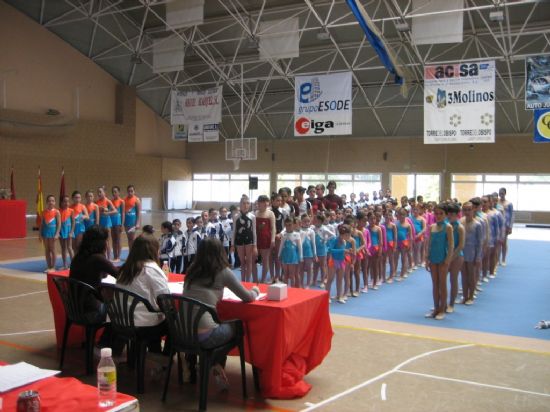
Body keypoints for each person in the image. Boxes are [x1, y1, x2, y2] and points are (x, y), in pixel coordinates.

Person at [183, 237, 260, 388]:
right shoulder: (223, 271)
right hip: (204, 335)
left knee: (217, 323)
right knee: (237, 326)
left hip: (183, 332)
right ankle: (212, 363)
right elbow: (247, 297)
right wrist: (256, 290)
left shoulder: (192, 270)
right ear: (220, 252)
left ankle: (201, 365)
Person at [116, 233, 170, 354]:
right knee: (176, 324)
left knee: (155, 315)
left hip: (121, 322)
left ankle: (150, 354)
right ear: (154, 250)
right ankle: (163, 359)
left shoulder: (124, 268)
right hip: (143, 325)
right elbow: (164, 299)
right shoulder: (152, 269)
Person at [69, 225, 118, 342]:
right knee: (121, 311)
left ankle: (103, 343)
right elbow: (119, 274)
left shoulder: (78, 257)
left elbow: (104, 274)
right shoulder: (97, 259)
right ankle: (107, 345)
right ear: (102, 243)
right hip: (90, 309)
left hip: (73, 308)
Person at [425, 203, 454, 320]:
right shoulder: (432, 227)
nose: (438, 216)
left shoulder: (448, 227)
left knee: (442, 284)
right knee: (435, 284)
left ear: (446, 215)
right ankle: (436, 308)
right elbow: (429, 244)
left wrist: (447, 260)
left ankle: (442, 309)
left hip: (443, 258)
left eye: (441, 214)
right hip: (433, 258)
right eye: (436, 213)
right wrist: (426, 258)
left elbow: (451, 245)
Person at [460, 202, 483, 305]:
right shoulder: (460, 222)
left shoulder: (477, 224)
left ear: (473, 210)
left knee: (471, 275)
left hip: (472, 252)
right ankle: (464, 296)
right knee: (464, 275)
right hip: (462, 252)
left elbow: (480, 242)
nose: (467, 212)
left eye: (469, 209)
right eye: (465, 210)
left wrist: (478, 257)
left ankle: (471, 296)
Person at [231, 195, 257, 283]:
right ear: (240, 204)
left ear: (249, 205)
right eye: (243, 203)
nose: (245, 205)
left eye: (247, 203)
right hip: (239, 241)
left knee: (249, 261)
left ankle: (248, 281)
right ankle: (243, 281)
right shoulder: (236, 216)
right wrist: (232, 244)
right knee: (242, 262)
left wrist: (255, 245)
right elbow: (234, 231)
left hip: (249, 241)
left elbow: (254, 232)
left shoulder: (252, 216)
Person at [446, 203, 465, 313]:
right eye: (448, 214)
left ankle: (451, 304)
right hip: (445, 255)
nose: (449, 216)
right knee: (442, 281)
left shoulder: (460, 227)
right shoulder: (446, 225)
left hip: (457, 257)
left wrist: (451, 258)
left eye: (452, 214)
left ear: (457, 215)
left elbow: (461, 245)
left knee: (453, 280)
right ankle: (442, 302)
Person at [255, 195, 276, 283]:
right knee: (254, 259)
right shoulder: (255, 213)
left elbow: (273, 228)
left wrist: (272, 240)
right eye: (264, 202)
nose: (266, 204)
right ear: (259, 203)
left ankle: (263, 279)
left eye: (267, 202)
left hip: (265, 238)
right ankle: (255, 278)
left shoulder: (270, 213)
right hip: (256, 238)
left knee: (265, 260)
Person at [278, 216, 303, 287]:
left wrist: (301, 257)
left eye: (290, 225)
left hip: (293, 257)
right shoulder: (284, 235)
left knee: (292, 275)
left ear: (293, 225)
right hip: (285, 256)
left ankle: (292, 290)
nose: (288, 227)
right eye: (286, 225)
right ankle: (285, 290)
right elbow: (281, 245)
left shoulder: (297, 234)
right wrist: (279, 255)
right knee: (285, 274)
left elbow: (300, 247)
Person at [40, 195, 61, 272]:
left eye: (52, 201)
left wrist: (57, 233)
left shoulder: (57, 212)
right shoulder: (44, 212)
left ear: (55, 202)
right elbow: (42, 224)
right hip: (45, 233)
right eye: (49, 201)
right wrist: (40, 234)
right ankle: (49, 266)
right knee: (47, 250)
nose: (51, 202)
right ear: (47, 202)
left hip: (53, 233)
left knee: (53, 249)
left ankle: (53, 267)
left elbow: (59, 224)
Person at [96, 186, 116, 260]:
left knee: (107, 241)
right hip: (100, 223)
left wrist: (107, 213)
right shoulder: (96, 202)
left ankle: (109, 258)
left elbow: (115, 211)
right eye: (98, 192)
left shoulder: (108, 201)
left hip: (107, 223)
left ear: (104, 193)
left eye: (100, 192)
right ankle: (103, 257)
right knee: (101, 241)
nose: (99, 193)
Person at [299, 214, 317, 288]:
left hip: (309, 253)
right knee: (301, 269)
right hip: (301, 253)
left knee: (309, 268)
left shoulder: (311, 231)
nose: (307, 223)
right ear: (301, 222)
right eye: (305, 221)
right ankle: (301, 283)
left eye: (308, 221)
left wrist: (315, 254)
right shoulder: (299, 230)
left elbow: (313, 243)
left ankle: (308, 284)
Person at [58, 195, 75, 269]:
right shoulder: (58, 211)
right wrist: (58, 232)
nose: (66, 203)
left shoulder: (71, 211)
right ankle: (65, 265)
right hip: (61, 231)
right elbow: (57, 223)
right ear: (61, 202)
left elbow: (73, 222)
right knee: (63, 248)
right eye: (65, 201)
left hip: (68, 231)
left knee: (69, 247)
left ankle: (74, 264)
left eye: (68, 201)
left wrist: (71, 231)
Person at [498, 187, 514, 266]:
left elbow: (511, 216)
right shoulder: (496, 203)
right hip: (497, 225)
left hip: (505, 225)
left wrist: (510, 226)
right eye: (500, 193)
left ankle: (503, 259)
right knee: (497, 243)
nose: (501, 195)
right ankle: (496, 259)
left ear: (505, 193)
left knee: (504, 242)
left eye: (502, 193)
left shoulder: (509, 204)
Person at [124, 185, 141, 249]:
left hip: (133, 222)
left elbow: (138, 212)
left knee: (133, 239)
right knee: (129, 239)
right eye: (129, 191)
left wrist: (138, 223)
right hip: (126, 222)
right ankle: (130, 253)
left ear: (134, 191)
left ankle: (133, 255)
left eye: (132, 191)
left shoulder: (137, 199)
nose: (130, 192)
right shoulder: (125, 199)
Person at [110, 186, 125, 262]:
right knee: (113, 239)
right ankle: (115, 256)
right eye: (113, 192)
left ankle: (118, 257)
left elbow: (122, 213)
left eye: (115, 192)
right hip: (111, 223)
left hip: (118, 222)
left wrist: (122, 224)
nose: (114, 193)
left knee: (118, 240)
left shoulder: (121, 201)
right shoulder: (111, 201)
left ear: (119, 192)